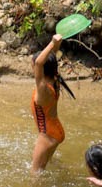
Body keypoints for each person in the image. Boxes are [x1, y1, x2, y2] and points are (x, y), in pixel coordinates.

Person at [30, 33, 74, 173]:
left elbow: (38, 63)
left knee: (35, 174)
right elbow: (50, 59)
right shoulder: (54, 80)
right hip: (56, 131)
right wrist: (56, 45)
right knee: (43, 168)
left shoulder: (42, 88)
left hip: (47, 135)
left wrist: (51, 42)